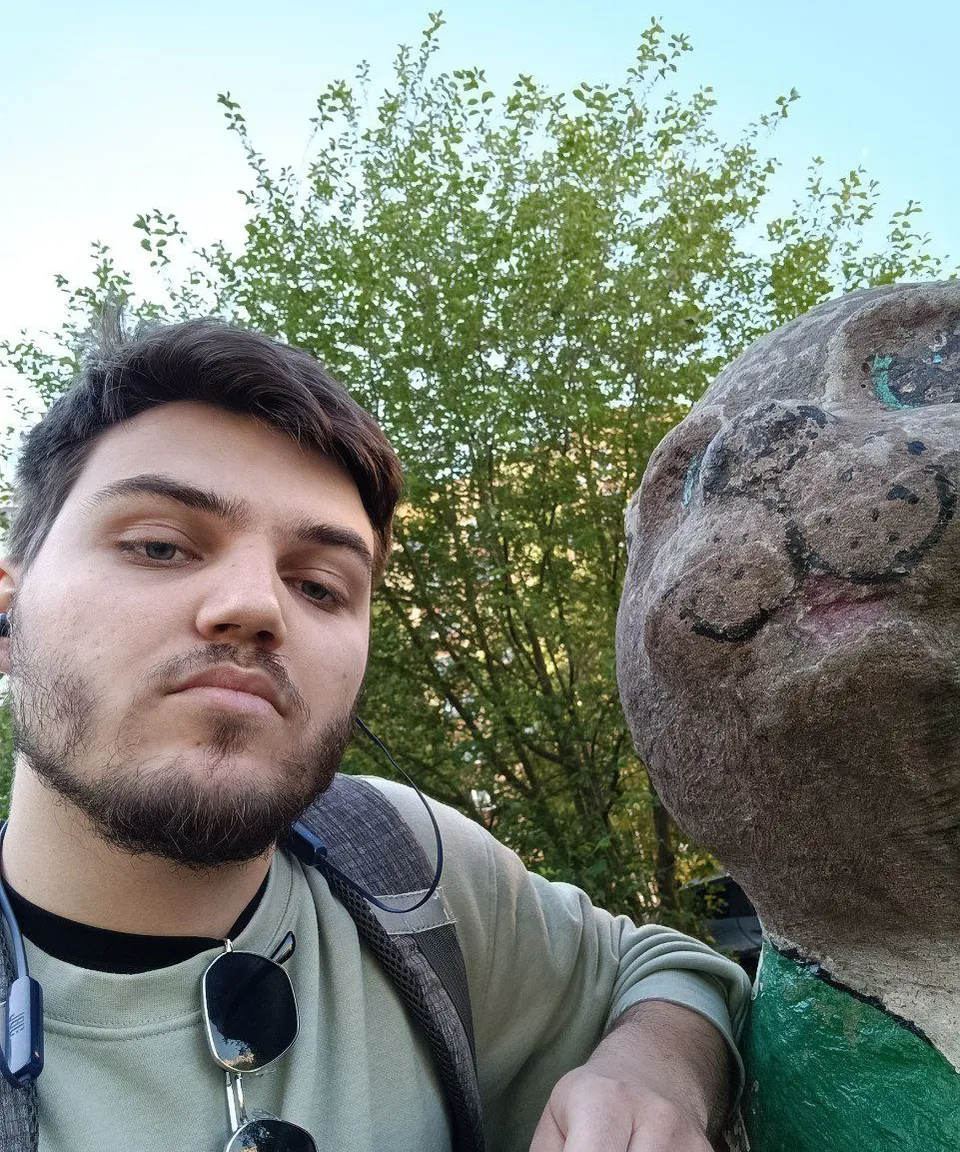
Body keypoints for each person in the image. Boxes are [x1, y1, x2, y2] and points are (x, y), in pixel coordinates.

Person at [0, 320, 749, 1152]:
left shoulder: (410, 870)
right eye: (160, 545)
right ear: (8, 608)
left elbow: (670, 970)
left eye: (321, 587)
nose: (256, 607)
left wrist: (653, 1073)